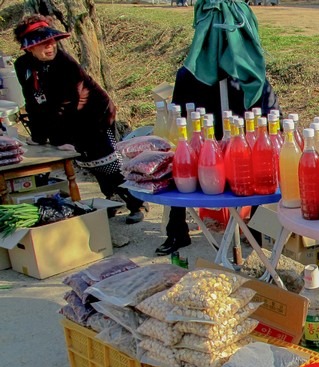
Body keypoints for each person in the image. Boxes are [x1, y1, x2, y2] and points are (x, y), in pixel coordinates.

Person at [13, 15, 146, 223]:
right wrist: (39, 137)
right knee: (89, 164)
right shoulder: (23, 66)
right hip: (66, 120)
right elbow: (32, 101)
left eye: (51, 42)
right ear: (29, 48)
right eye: (43, 44)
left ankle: (136, 203)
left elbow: (68, 102)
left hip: (93, 114)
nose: (49, 48)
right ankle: (112, 200)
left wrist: (59, 138)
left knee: (107, 162)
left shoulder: (64, 62)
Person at [155, 66, 280, 256]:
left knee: (259, 169)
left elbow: (273, 115)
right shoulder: (189, 74)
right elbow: (177, 117)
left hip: (244, 142)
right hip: (202, 141)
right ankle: (177, 229)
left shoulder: (248, 69)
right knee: (181, 159)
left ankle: (256, 230)